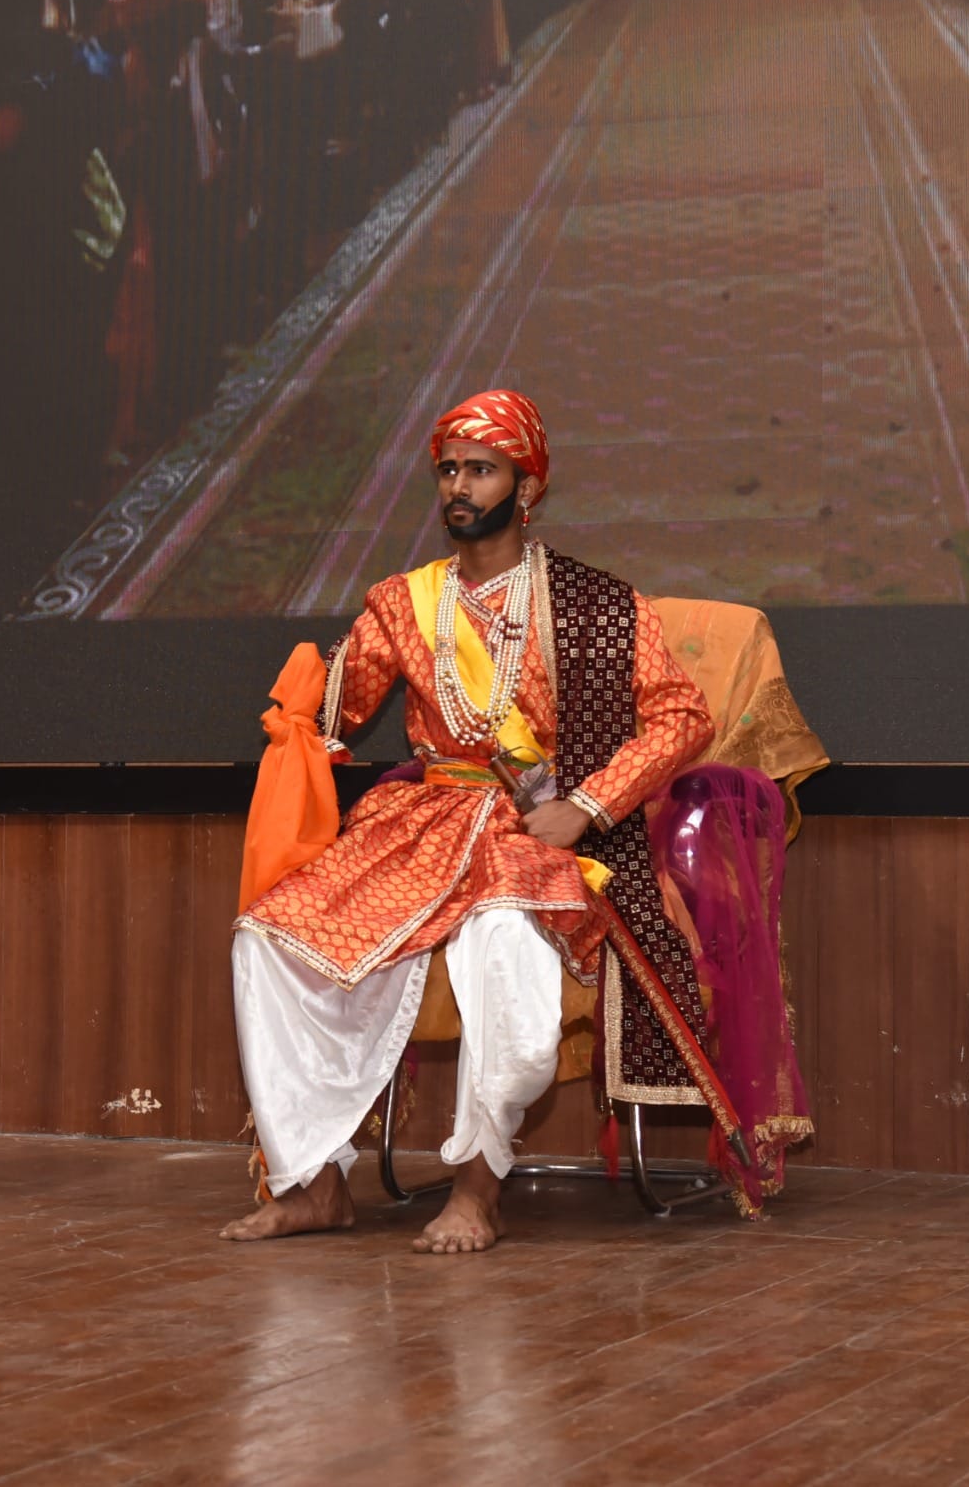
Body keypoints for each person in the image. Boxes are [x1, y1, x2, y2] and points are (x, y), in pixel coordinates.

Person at [220, 391, 760, 1254]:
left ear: (528, 485)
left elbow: (682, 718)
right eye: (448, 470)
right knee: (268, 940)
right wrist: (304, 712)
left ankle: (478, 1188)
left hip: (528, 832)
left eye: (481, 470)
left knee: (504, 946)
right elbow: (335, 711)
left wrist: (585, 807)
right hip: (420, 824)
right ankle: (314, 1184)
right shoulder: (404, 603)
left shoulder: (595, 605)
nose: (458, 487)